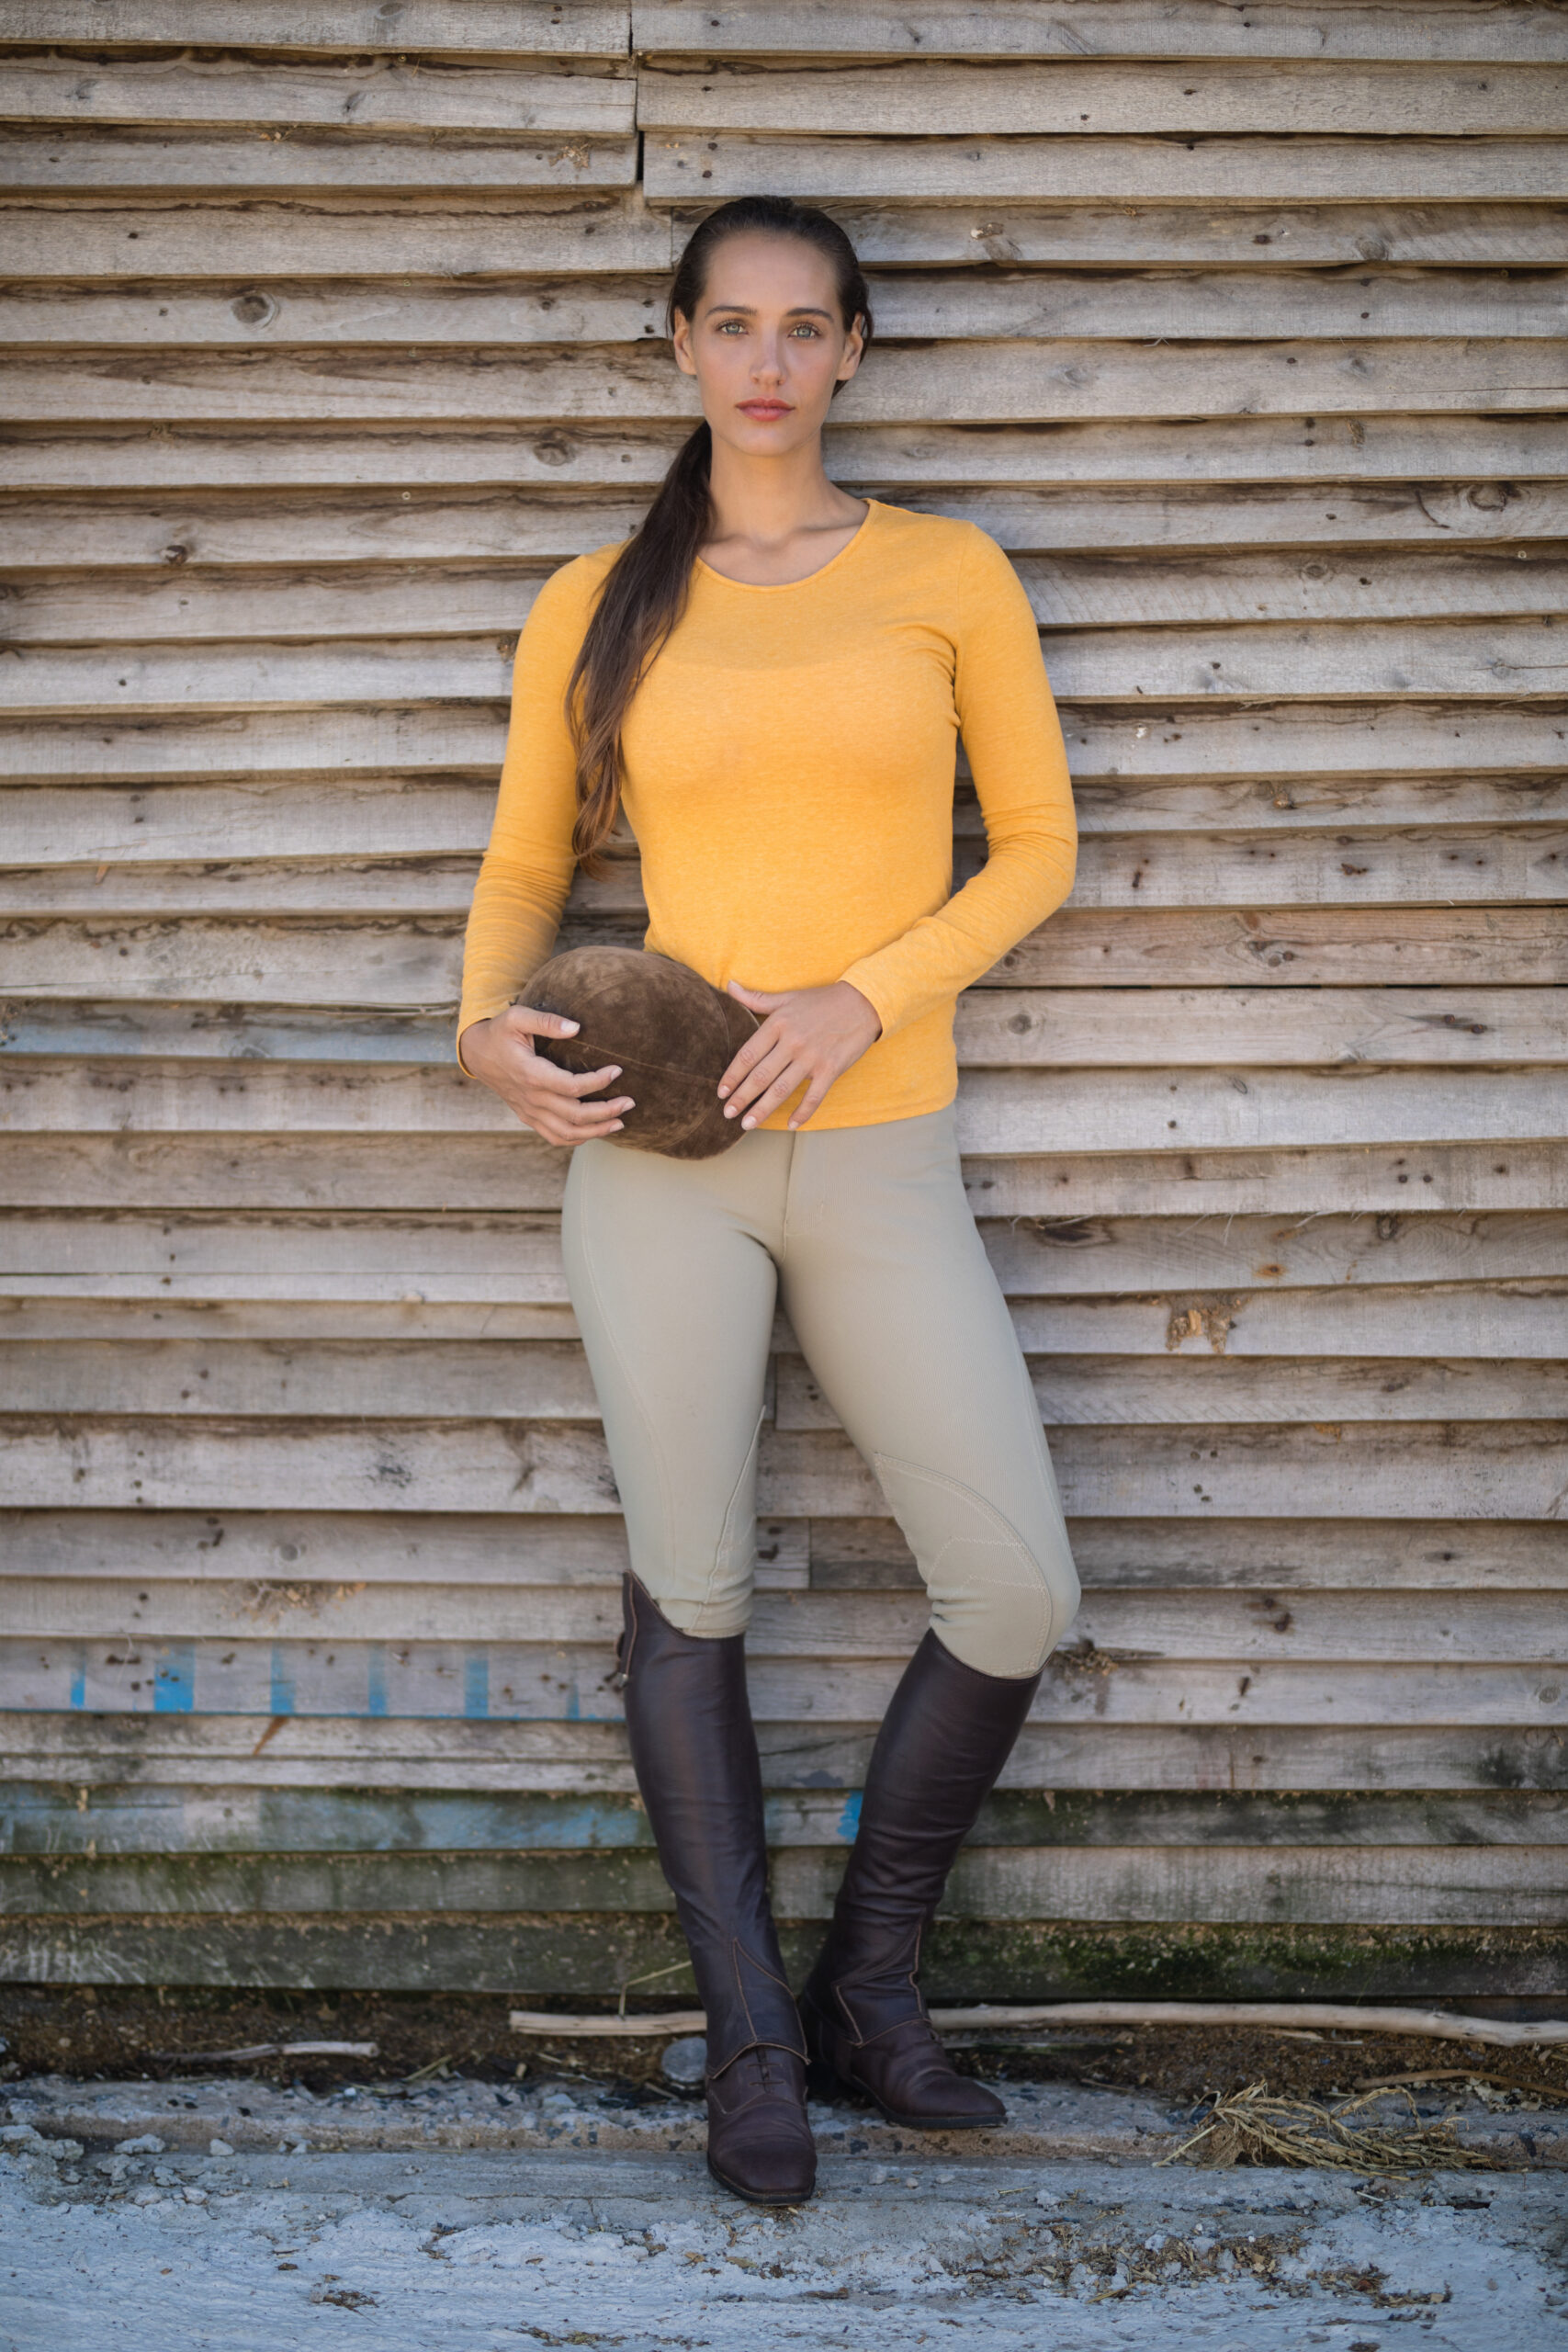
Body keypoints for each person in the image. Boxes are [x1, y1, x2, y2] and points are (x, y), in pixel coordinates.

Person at [457, 196, 1081, 2207]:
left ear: (853, 351)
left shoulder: (942, 572)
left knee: (1013, 1589)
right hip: (665, 1164)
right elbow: (521, 869)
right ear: (676, 345)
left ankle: (863, 1989)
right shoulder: (603, 597)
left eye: (803, 327)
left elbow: (1038, 851)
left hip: (881, 1136)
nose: (766, 362)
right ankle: (750, 2048)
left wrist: (861, 989)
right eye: (729, 323)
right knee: (692, 1581)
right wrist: (480, 1027)